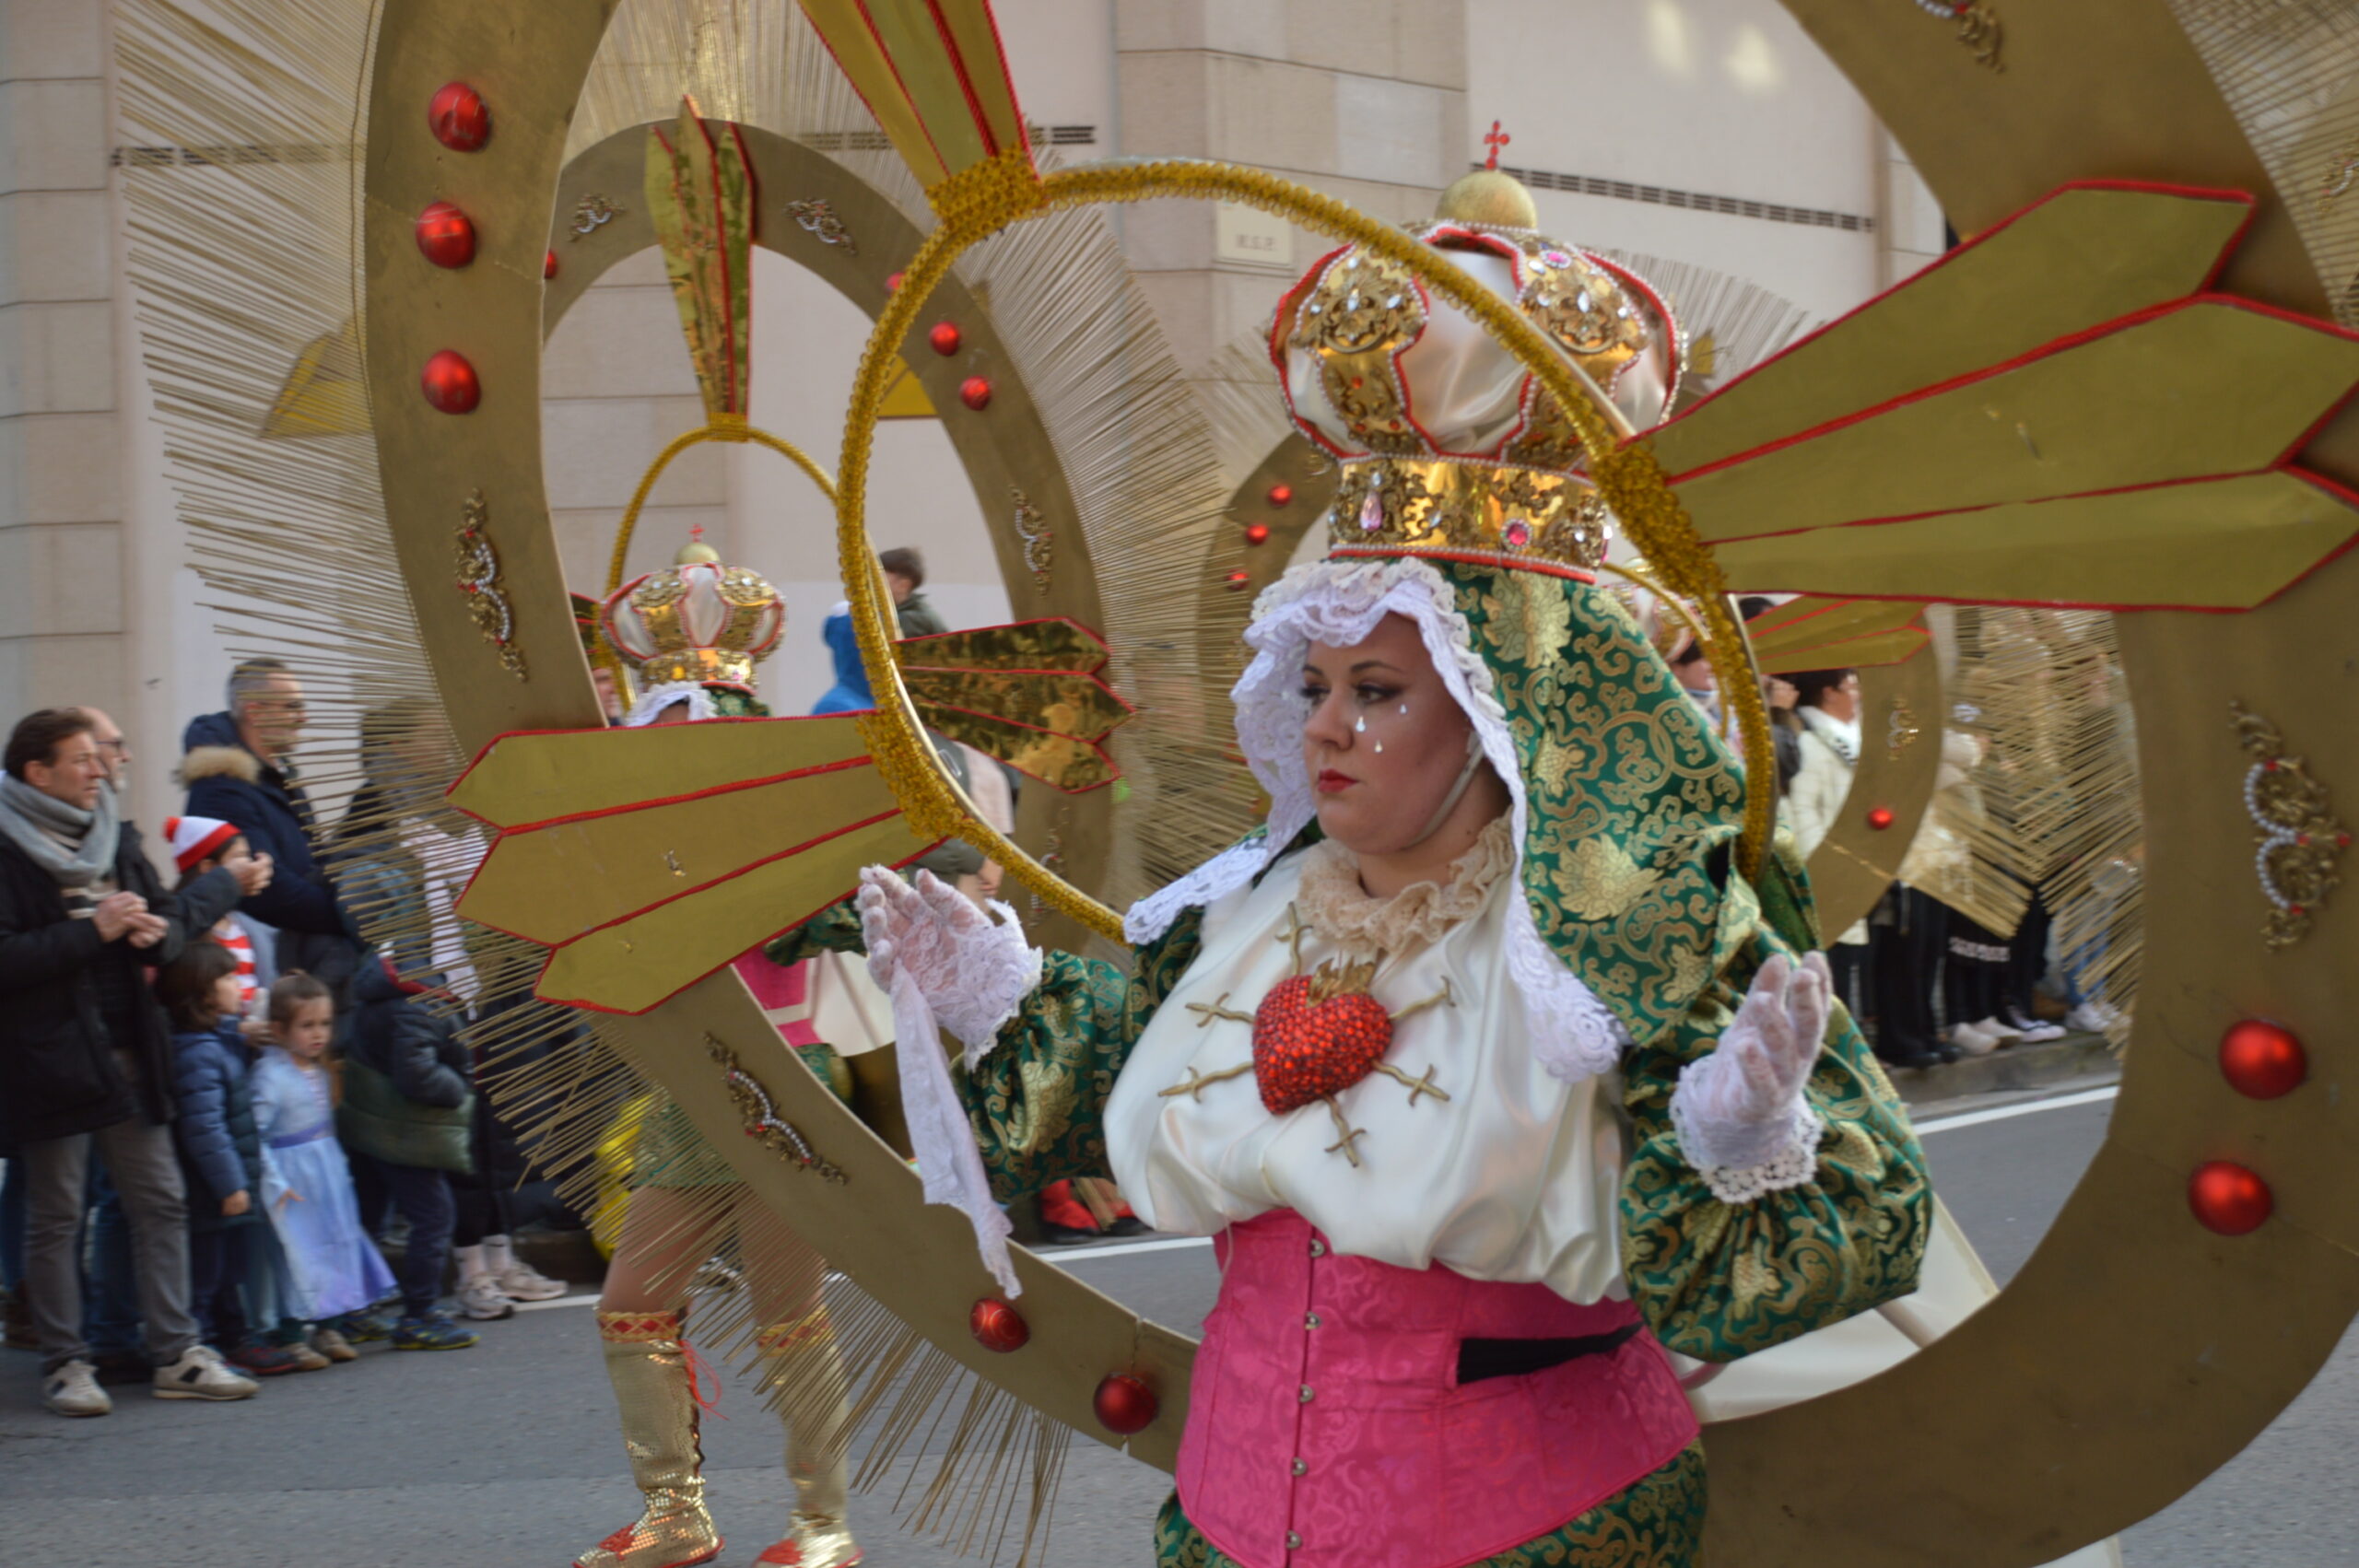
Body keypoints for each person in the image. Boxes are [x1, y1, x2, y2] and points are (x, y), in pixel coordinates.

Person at [793, 172, 1929, 1566]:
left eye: (1380, 690)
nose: (1326, 725)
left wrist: (1740, 1143)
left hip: (1532, 1530)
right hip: (1223, 1520)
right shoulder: (1249, 909)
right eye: (1318, 681)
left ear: (1497, 704)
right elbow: (1126, 1104)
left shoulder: (1628, 936)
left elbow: (1837, 1230)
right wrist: (1000, 995)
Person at [575, 678, 868, 1568]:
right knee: (630, 1305)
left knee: (788, 1316)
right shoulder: (645, 850)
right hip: (689, 1096)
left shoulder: (779, 844)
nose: (659, 759)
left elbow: (835, 923)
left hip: (785, 1081)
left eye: (680, 740)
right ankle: (674, 1515)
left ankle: (824, 1524)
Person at [0, 708, 268, 1413]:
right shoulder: (5, 846)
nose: (102, 770)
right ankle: (66, 1363)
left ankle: (177, 1353)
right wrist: (96, 931)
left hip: (130, 1049)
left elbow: (163, 925)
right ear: (38, 772)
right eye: (84, 759)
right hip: (47, 1062)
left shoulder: (112, 833)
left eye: (103, 757)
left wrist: (154, 932)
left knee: (162, 1201)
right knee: (57, 1215)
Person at [156, 937, 306, 1375]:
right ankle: (203, 1350)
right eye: (226, 976)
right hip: (214, 1190)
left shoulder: (213, 1041)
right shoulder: (199, 1052)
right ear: (202, 991)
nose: (236, 982)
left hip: (228, 1186)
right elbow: (205, 1127)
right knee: (206, 1276)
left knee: (227, 1272)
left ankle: (235, 1340)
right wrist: (230, 1183)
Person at [181, 660, 361, 995]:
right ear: (255, 712)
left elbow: (311, 861)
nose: (303, 718)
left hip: (296, 943)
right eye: (293, 706)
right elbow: (269, 889)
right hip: (261, 962)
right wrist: (350, 916)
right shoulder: (222, 784)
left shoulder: (279, 775)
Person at [250, 973, 395, 1361]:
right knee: (296, 1254)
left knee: (335, 1244)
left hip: (327, 1174)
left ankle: (330, 1327)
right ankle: (292, 1334)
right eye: (307, 1025)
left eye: (325, 1024)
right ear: (279, 1029)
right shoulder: (269, 1076)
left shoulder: (319, 1070)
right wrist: (274, 1182)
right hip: (293, 1180)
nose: (319, 1034)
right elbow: (256, 1134)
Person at [338, 952, 480, 1351]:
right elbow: (416, 1074)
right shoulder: (420, 1001)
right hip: (402, 1130)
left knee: (369, 1217)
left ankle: (354, 1312)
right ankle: (420, 1315)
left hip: (368, 1121)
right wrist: (460, 1088)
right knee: (434, 1217)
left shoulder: (391, 989)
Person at [878, 545, 948, 639]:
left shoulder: (909, 620)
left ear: (903, 586)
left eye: (880, 579)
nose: (874, 584)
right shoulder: (913, 612)